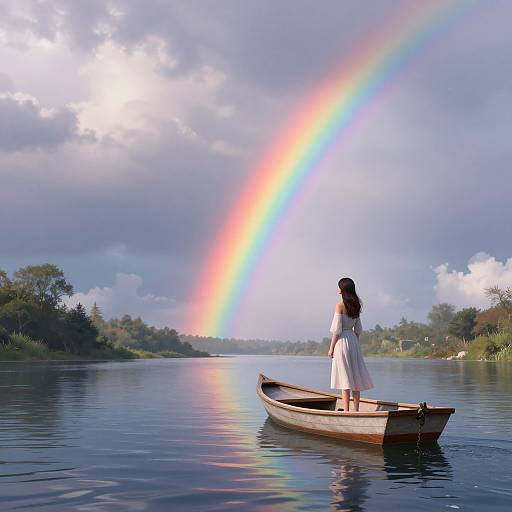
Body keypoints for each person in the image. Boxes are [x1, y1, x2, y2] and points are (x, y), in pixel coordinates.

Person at [328, 277, 373, 412]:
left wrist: (331, 349)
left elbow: (336, 331)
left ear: (342, 289)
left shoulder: (339, 306)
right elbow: (358, 330)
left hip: (342, 342)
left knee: (345, 380)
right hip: (353, 342)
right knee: (355, 377)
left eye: (338, 286)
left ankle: (347, 411)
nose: (337, 288)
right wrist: (355, 345)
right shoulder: (356, 305)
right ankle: (356, 410)